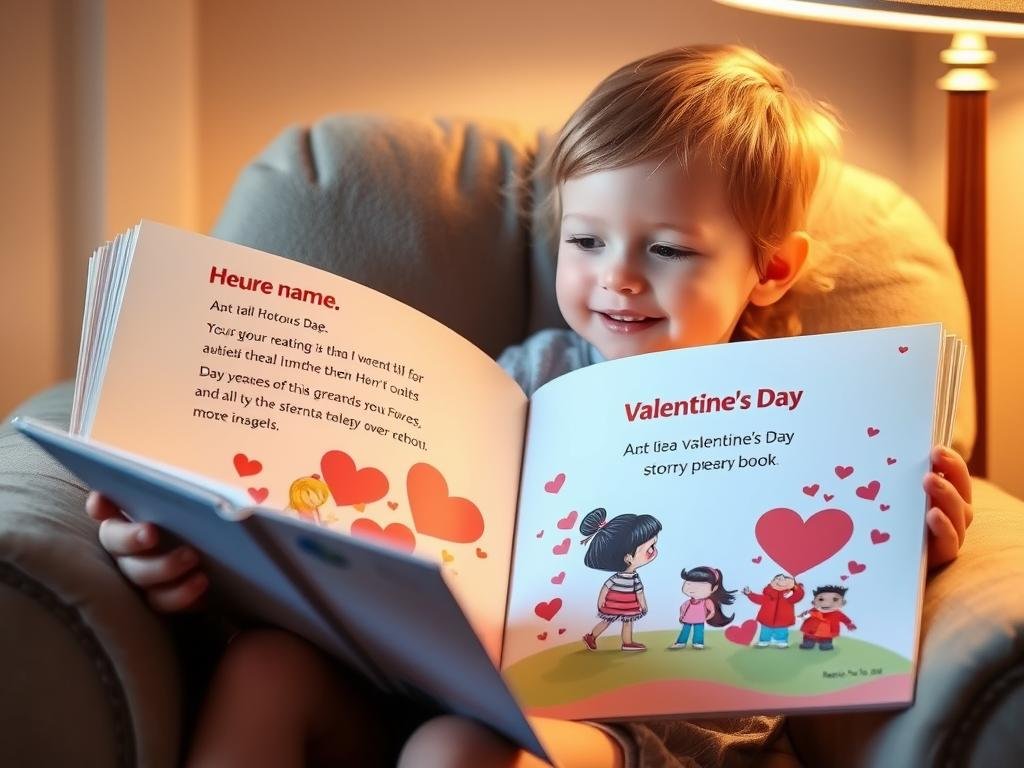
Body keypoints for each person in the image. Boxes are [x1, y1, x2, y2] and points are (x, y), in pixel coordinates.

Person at [86, 44, 975, 767]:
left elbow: (838, 569)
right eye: (586, 239)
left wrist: (913, 543)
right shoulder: (524, 375)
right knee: (263, 670)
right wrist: (188, 539)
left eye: (666, 248)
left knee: (462, 747)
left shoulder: (807, 410)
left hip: (633, 729)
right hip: (420, 678)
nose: (616, 275)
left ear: (769, 269)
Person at [577, 508, 663, 652]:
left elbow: (610, 588)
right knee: (610, 621)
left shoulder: (630, 577)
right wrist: (643, 606)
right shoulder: (630, 578)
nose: (654, 550)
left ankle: (627, 642)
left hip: (624, 605)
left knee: (621, 622)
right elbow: (637, 593)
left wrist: (601, 602)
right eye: (650, 547)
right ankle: (592, 637)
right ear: (628, 558)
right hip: (617, 605)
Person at [670, 566, 737, 650]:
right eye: (688, 584)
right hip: (687, 619)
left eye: (701, 586)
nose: (693, 589)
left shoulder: (706, 602)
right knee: (685, 631)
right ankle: (681, 642)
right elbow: (683, 608)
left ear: (714, 588)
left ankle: (698, 643)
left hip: (699, 620)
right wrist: (681, 616)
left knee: (698, 631)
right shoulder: (688, 602)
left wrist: (706, 617)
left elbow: (712, 611)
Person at [742, 573, 805, 649]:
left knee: (782, 632)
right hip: (766, 619)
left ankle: (782, 642)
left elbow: (799, 596)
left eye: (784, 579)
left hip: (783, 620)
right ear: (772, 582)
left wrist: (796, 588)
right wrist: (750, 594)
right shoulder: (768, 594)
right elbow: (759, 599)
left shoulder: (789, 595)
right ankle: (763, 641)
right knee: (765, 631)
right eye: (777, 579)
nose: (780, 580)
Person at [798, 585, 857, 650]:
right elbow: (802, 617)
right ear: (813, 602)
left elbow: (845, 619)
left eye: (835, 599)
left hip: (827, 634)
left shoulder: (837, 614)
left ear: (843, 603)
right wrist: (803, 616)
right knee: (808, 641)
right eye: (821, 599)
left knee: (826, 643)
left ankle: (825, 644)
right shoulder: (812, 611)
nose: (826, 603)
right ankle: (808, 643)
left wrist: (849, 624)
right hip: (811, 633)